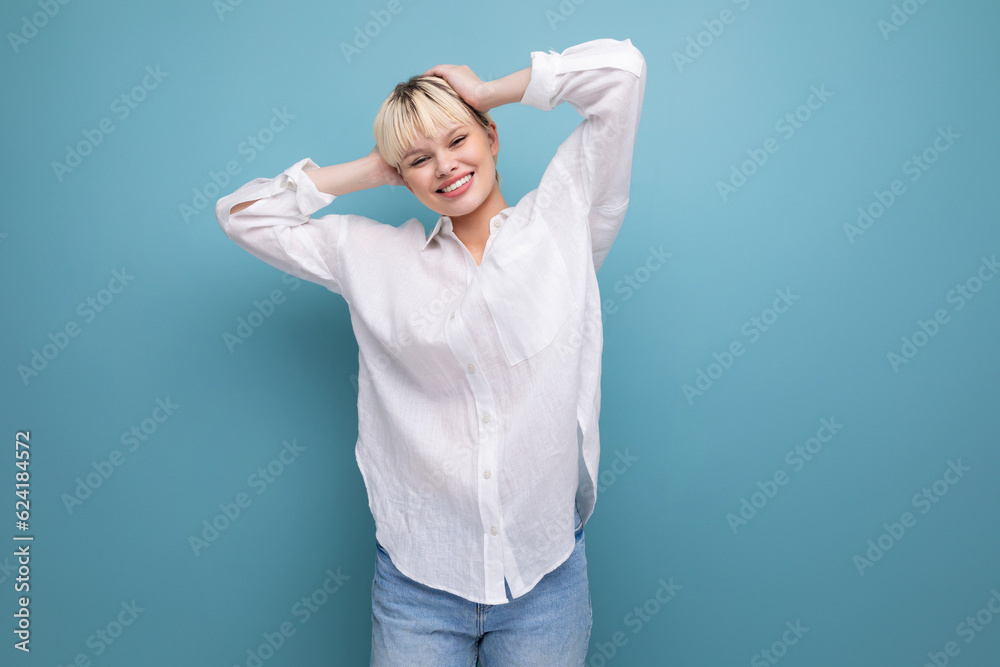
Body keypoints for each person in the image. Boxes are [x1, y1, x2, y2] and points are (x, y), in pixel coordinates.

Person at [215, 36, 646, 666]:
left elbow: (624, 72)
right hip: (419, 583)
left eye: (458, 140)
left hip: (545, 576)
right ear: (402, 176)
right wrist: (371, 168)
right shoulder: (372, 257)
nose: (444, 166)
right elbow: (242, 215)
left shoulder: (563, 220)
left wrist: (488, 90)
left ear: (491, 137)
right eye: (418, 159)